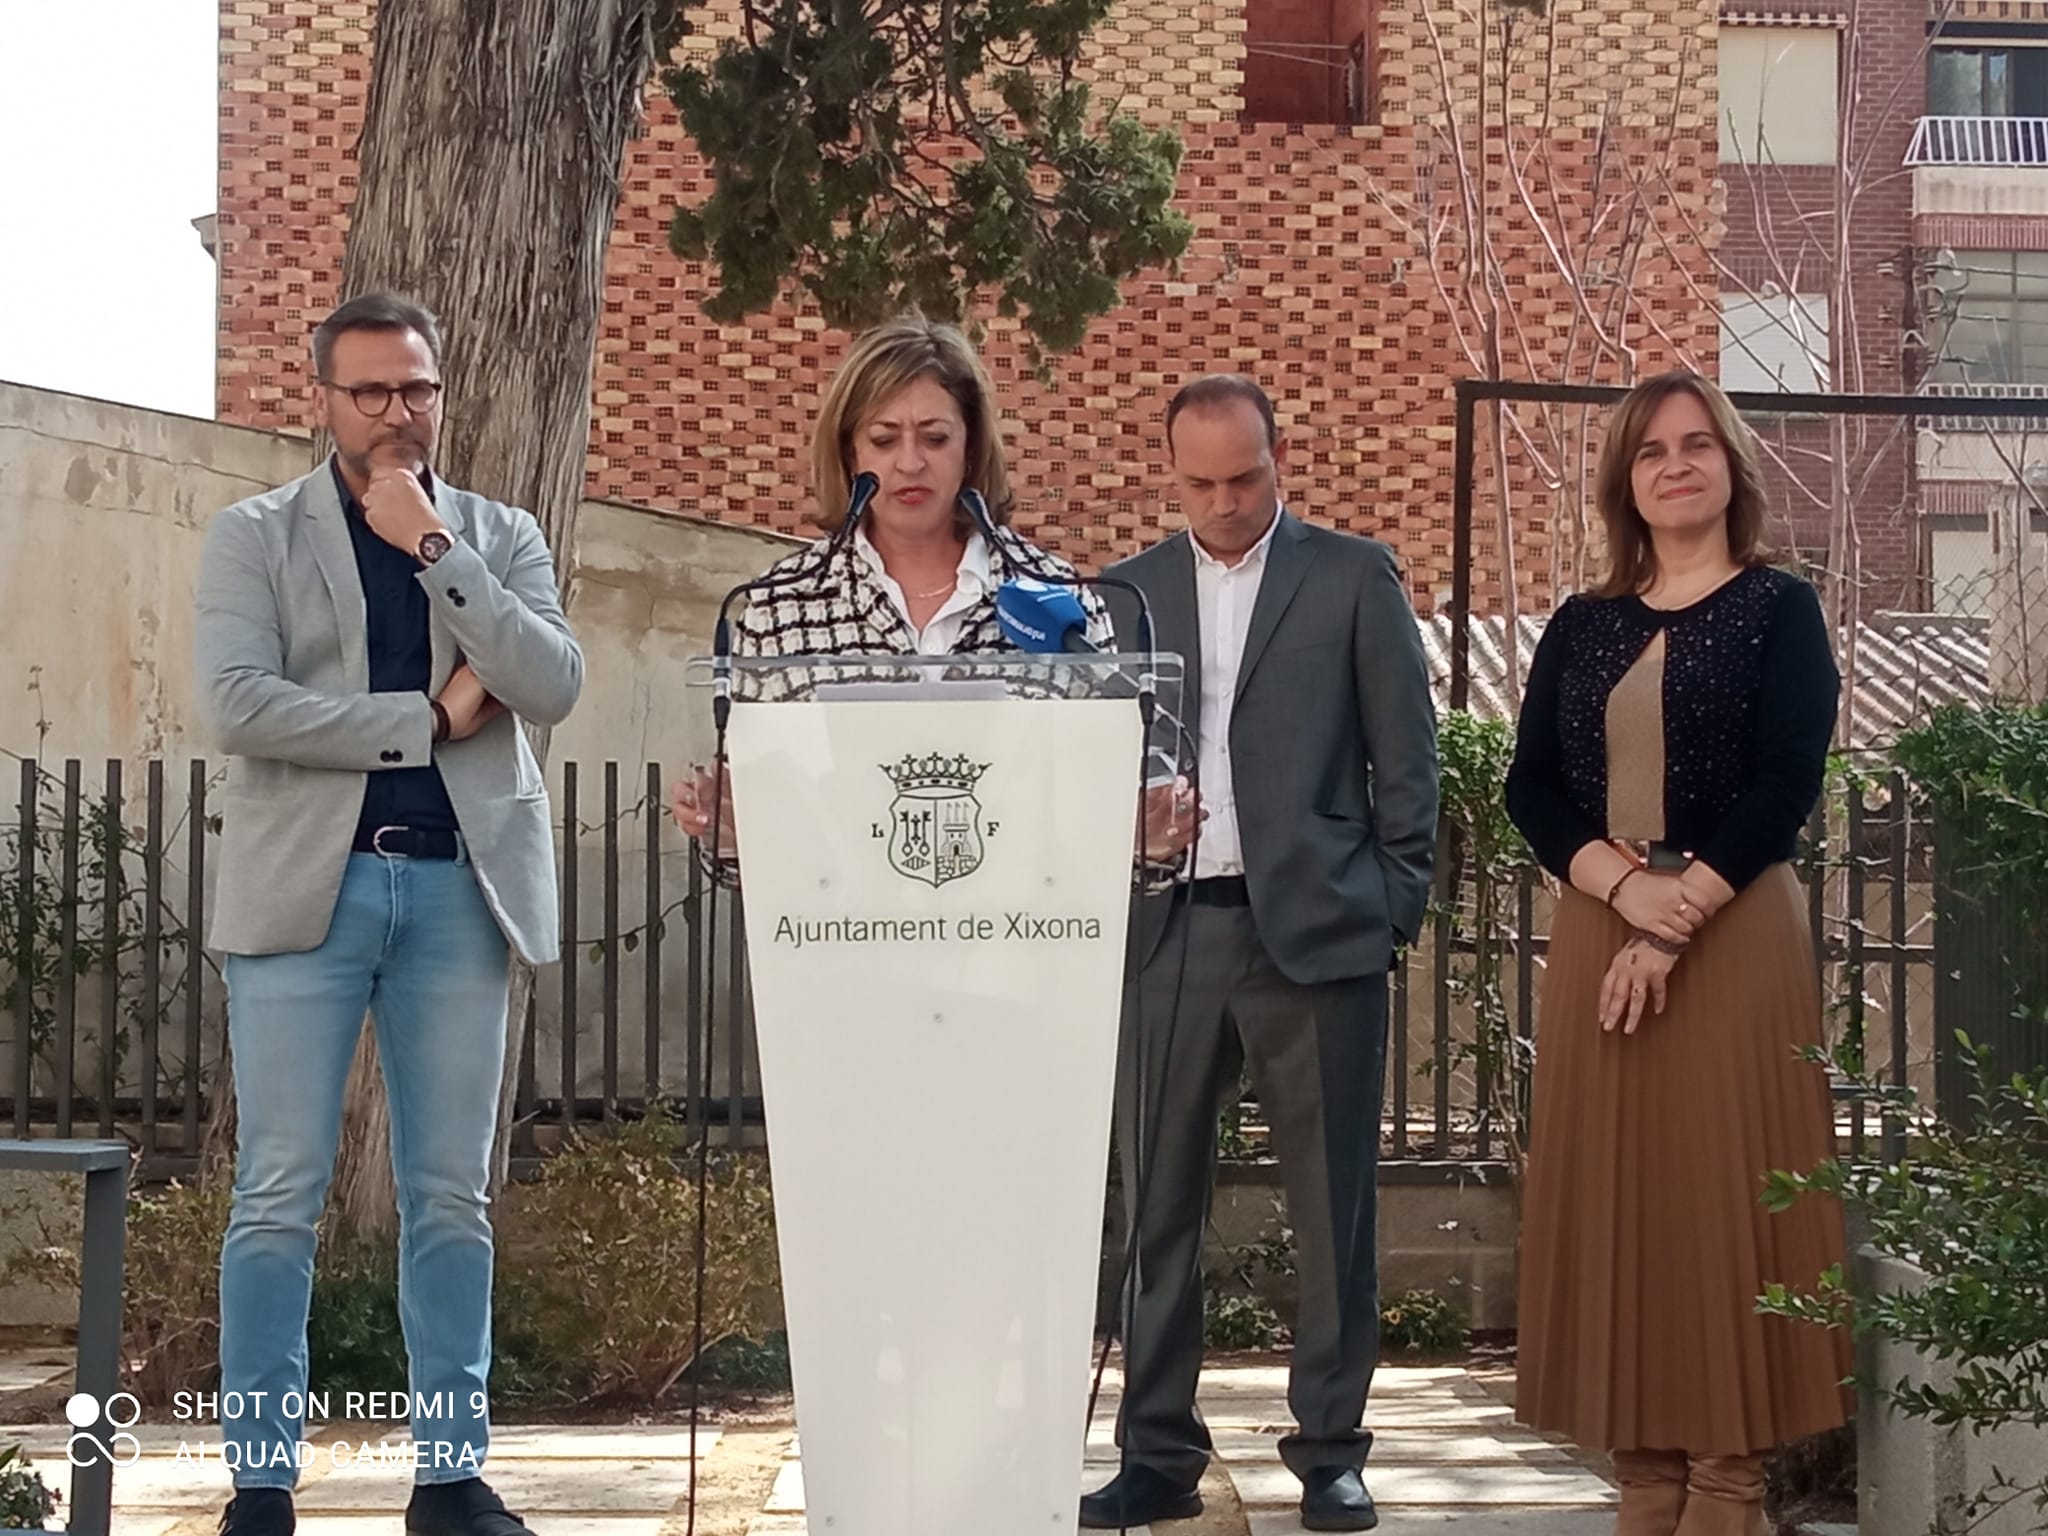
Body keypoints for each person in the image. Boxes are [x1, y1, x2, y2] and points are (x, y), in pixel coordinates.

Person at [194, 292, 582, 1536]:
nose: (396, 412)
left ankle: (450, 1478)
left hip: (461, 892)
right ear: (322, 399)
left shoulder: (497, 535)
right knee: (279, 1192)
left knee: (450, 1194)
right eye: (369, 392)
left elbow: (550, 682)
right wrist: (423, 720)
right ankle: (260, 1481)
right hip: (309, 893)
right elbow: (241, 705)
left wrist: (432, 550)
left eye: (414, 388)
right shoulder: (253, 535)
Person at [1081, 375, 1439, 1533]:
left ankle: (1330, 1449)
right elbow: (1080, 773)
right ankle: (1156, 1453)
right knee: (1154, 1211)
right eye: (1202, 482)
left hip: (1319, 936)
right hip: (1167, 933)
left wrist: (1388, 910)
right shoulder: (1120, 599)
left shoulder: (1350, 577)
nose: (1227, 501)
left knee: (1329, 1211)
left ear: (1279, 458)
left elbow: (1409, 762)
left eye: (1246, 477)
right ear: (1167, 473)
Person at [1504, 370, 1850, 1536]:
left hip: (1732, 929)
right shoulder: (1580, 624)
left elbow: (1784, 782)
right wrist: (1621, 893)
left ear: (1730, 466)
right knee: (1623, 1222)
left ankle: (1724, 1492)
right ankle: (1643, 1493)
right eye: (1650, 451)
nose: (1674, 465)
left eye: (1697, 445)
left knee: (1721, 1216)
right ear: (1624, 482)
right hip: (1604, 927)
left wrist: (1676, 910)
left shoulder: (1778, 610)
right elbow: (1530, 789)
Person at [669, 313, 1114, 844]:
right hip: (839, 920)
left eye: (935, 438)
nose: (909, 462)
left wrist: (1144, 838)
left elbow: (1109, 817)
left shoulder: (1059, 596)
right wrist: (730, 835)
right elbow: (753, 843)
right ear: (850, 453)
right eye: (883, 439)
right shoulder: (781, 606)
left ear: (970, 449)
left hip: (1021, 918)